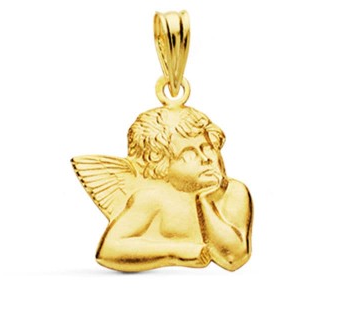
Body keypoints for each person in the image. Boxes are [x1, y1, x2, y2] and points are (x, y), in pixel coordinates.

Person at [95, 106, 253, 272]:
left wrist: (205, 202)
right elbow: (109, 249)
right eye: (188, 154)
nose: (205, 158)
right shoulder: (152, 198)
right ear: (162, 164)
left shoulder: (233, 192)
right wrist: (177, 252)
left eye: (207, 147)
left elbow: (233, 257)